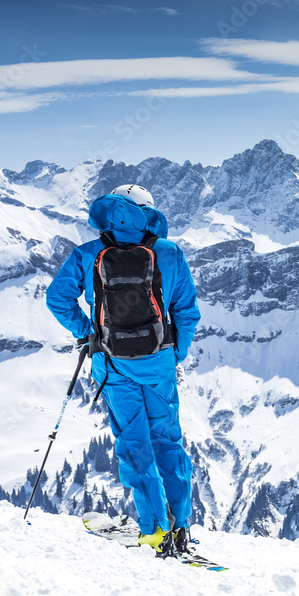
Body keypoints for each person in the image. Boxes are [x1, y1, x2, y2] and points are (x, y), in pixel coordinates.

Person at [46, 184, 201, 556]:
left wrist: (88, 332)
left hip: (113, 366)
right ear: (148, 213)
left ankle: (153, 530)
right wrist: (173, 354)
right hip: (159, 364)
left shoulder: (88, 254)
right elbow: (186, 311)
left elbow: (57, 298)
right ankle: (180, 528)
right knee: (168, 442)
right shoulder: (168, 252)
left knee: (134, 444)